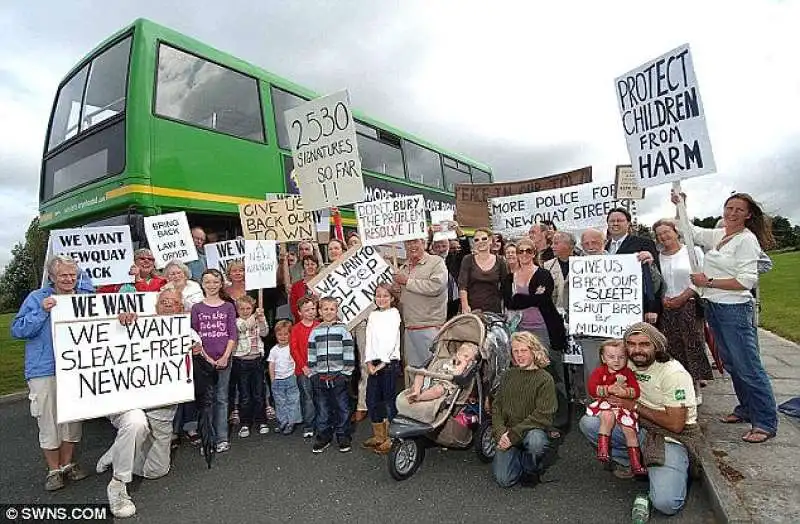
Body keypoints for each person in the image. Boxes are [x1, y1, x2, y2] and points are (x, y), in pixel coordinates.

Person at [671, 191, 778, 443]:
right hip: (715, 308)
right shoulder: (720, 234)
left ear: (748, 215)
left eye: (738, 210)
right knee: (731, 364)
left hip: (735, 309)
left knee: (748, 367)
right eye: (729, 208)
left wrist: (707, 281)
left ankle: (765, 422)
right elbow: (688, 230)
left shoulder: (747, 240)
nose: (732, 213)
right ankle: (745, 409)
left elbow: (746, 281)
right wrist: (680, 205)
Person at [98, 289, 202, 518]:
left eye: (173, 303)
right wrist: (121, 320)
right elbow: (107, 335)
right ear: (156, 307)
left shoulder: (187, 331)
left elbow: (196, 344)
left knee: (157, 471)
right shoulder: (136, 324)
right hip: (128, 401)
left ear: (180, 308)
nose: (168, 306)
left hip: (162, 410)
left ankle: (119, 450)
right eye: (163, 302)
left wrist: (197, 349)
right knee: (135, 424)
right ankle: (118, 485)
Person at [579, 323, 699, 517]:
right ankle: (632, 463)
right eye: (631, 344)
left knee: (667, 503)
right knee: (590, 423)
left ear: (657, 346)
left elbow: (676, 425)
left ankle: (658, 475)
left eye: (644, 344)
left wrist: (634, 406)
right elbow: (601, 380)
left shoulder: (673, 373)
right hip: (637, 425)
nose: (637, 350)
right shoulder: (626, 362)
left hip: (667, 436)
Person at [12, 255, 93, 491]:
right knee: (47, 420)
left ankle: (68, 464)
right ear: (52, 277)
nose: (68, 279)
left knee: (73, 419)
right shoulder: (37, 298)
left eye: (72, 275)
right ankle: (53, 470)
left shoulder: (84, 298)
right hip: (43, 369)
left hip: (76, 367)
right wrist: (42, 311)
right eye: (63, 275)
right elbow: (18, 330)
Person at [501, 237, 569, 436]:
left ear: (534, 253)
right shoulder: (508, 278)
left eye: (528, 251)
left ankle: (557, 421)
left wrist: (520, 298)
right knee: (525, 375)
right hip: (519, 330)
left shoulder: (543, 274)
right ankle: (528, 419)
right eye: (520, 251)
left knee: (551, 374)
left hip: (544, 329)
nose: (523, 255)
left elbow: (542, 298)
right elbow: (509, 303)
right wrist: (528, 299)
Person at [653, 219, 712, 399]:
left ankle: (695, 388)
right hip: (666, 307)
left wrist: (683, 297)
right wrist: (662, 299)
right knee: (671, 348)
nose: (664, 237)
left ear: (675, 231)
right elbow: (656, 281)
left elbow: (703, 276)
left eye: (666, 232)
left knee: (692, 345)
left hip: (690, 304)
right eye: (659, 235)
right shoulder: (658, 256)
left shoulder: (693, 252)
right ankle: (677, 387)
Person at [492, 331, 557, 488]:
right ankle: (519, 454)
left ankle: (531, 467)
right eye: (516, 351)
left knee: (536, 441)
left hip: (531, 430)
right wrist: (501, 433)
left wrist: (513, 435)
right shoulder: (508, 375)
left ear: (534, 351)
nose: (519, 355)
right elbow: (497, 406)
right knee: (504, 480)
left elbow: (543, 415)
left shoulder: (544, 379)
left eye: (524, 351)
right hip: (509, 431)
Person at [191, 269, 238, 453]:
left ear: (221, 284)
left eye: (215, 282)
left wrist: (226, 356)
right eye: (207, 282)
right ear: (202, 284)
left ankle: (222, 438)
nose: (211, 285)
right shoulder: (196, 308)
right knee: (206, 401)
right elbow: (194, 335)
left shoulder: (228, 307)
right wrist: (206, 357)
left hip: (225, 358)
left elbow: (232, 333)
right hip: (204, 360)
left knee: (222, 398)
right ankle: (208, 440)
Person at [585, 339, 646, 475]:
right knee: (607, 417)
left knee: (629, 430)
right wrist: (608, 389)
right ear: (603, 358)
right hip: (606, 404)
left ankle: (636, 463)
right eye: (611, 357)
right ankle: (603, 450)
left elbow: (636, 390)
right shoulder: (599, 372)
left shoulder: (628, 373)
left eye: (621, 357)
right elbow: (591, 388)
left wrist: (625, 392)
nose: (616, 361)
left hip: (623, 407)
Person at [393, 238, 448, 381]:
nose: (412, 246)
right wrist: (395, 291)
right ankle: (414, 401)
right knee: (413, 372)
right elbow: (404, 297)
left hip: (430, 326)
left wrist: (407, 282)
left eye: (415, 242)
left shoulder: (436, 262)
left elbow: (436, 286)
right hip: (410, 327)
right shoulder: (403, 267)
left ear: (423, 243)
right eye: (408, 243)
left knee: (433, 371)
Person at [307, 297, 356, 453]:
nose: (329, 312)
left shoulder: (343, 330)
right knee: (322, 408)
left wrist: (346, 372)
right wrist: (313, 372)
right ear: (320, 312)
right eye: (325, 309)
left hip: (339, 375)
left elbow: (349, 351)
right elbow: (312, 352)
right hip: (320, 376)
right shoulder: (315, 331)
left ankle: (343, 435)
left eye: (332, 309)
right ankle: (323, 436)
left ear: (337, 311)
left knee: (343, 407)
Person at [361, 283, 402, 453]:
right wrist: (369, 361)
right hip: (374, 363)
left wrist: (381, 364)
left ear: (392, 298)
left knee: (389, 401)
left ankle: (392, 438)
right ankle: (379, 435)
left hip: (388, 363)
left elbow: (390, 341)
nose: (382, 299)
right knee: (372, 400)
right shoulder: (373, 315)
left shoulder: (394, 314)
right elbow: (369, 339)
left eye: (386, 296)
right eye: (378, 295)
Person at [232, 295, 269, 438]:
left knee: (259, 393)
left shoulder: (257, 318)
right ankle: (245, 423)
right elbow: (243, 327)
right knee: (245, 395)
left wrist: (261, 319)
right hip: (242, 361)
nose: (246, 311)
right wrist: (255, 315)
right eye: (242, 308)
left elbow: (265, 332)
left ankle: (261, 421)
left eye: (248, 308)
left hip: (257, 360)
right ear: (237, 310)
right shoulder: (236, 322)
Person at [406, 342, 478, 403]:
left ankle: (419, 398)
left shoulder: (466, 370)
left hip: (444, 385)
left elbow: (457, 375)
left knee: (438, 390)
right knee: (420, 373)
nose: (467, 359)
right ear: (458, 354)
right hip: (432, 379)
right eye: (465, 356)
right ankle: (416, 391)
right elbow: (434, 369)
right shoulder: (447, 361)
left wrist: (463, 365)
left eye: (471, 359)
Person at [458, 227, 508, 314]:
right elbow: (462, 285)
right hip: (471, 309)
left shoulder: (500, 261)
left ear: (490, 240)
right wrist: (465, 306)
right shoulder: (467, 259)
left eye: (484, 238)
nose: (480, 242)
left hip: (493, 309)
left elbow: (505, 285)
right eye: (476, 240)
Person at [290, 296, 320, 438]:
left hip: (319, 368)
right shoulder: (296, 329)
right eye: (306, 310)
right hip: (303, 370)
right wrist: (303, 367)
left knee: (321, 397)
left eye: (313, 309)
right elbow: (294, 350)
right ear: (300, 312)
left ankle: (322, 423)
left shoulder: (320, 325)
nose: (310, 312)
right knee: (307, 397)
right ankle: (309, 425)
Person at [429, 221, 470, 319]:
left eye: (444, 246)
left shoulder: (455, 258)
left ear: (448, 246)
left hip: (456, 300)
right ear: (433, 248)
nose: (441, 249)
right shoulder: (430, 261)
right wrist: (430, 234)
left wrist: (458, 230)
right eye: (437, 247)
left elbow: (465, 248)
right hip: (437, 302)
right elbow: (425, 249)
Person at [268, 320, 303, 435]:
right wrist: (272, 379)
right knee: (280, 402)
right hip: (278, 380)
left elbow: (295, 362)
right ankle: (283, 421)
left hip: (290, 378)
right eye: (279, 334)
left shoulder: (291, 348)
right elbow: (271, 365)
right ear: (276, 335)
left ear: (290, 335)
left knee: (293, 401)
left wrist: (294, 375)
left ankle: (291, 422)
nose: (282, 337)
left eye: (285, 334)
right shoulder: (274, 350)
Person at [98, 249, 167, 293]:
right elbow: (100, 295)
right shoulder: (119, 281)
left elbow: (147, 297)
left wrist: (138, 278)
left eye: (150, 259)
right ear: (133, 261)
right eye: (142, 258)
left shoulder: (161, 282)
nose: (146, 261)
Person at [541, 231, 576, 312]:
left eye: (556, 243)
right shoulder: (547, 266)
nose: (552, 246)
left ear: (569, 245)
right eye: (552, 243)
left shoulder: (583, 264)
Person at [289, 255, 320, 321]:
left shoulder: (322, 283)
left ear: (317, 266)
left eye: (313, 264)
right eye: (307, 264)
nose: (310, 267)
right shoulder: (296, 286)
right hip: (302, 322)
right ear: (303, 267)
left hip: (321, 322)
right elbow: (294, 308)